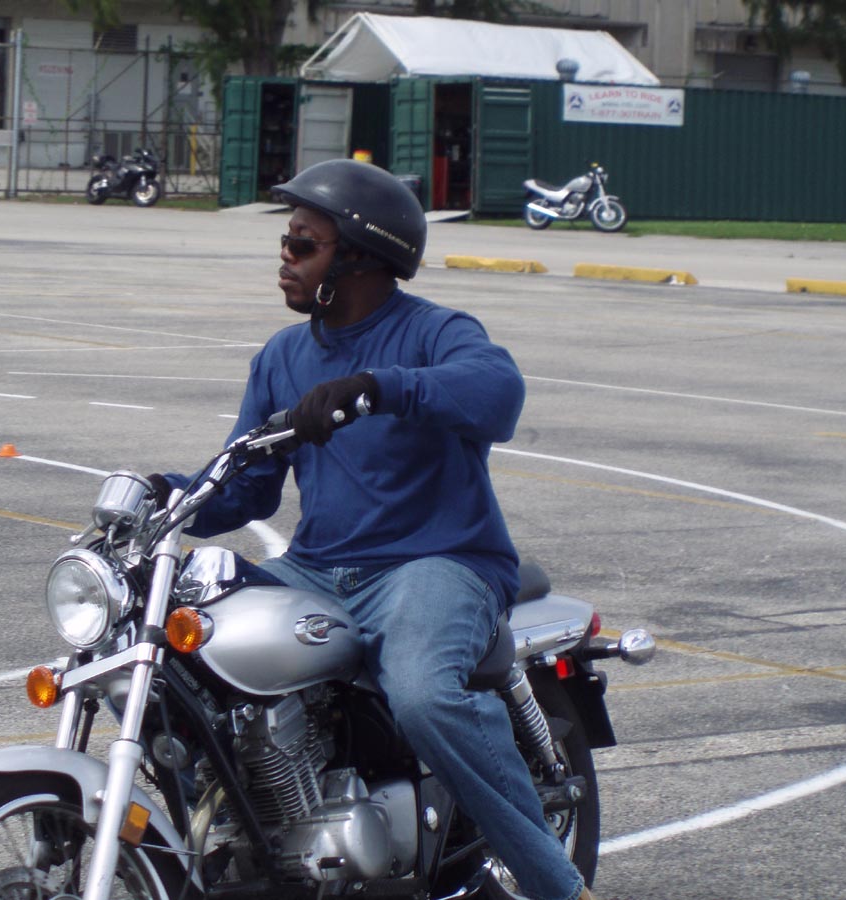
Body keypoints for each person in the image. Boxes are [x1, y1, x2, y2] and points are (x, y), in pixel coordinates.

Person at [153, 159, 594, 900]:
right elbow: (245, 487)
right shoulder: (284, 356)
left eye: (302, 245)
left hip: (436, 562)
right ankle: (246, 831)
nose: (284, 259)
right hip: (318, 567)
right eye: (286, 242)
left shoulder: (435, 332)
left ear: (358, 256)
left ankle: (559, 886)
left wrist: (378, 388)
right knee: (179, 653)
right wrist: (162, 495)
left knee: (423, 695)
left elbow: (500, 394)